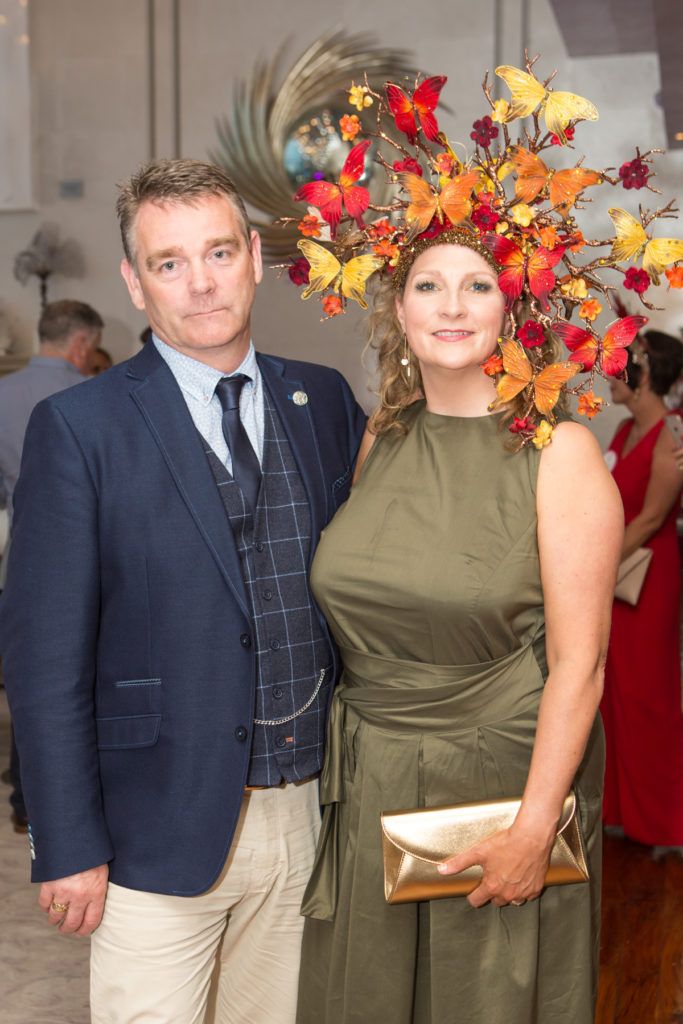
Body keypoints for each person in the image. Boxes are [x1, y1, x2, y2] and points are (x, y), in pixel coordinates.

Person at [280, 61, 682, 1023]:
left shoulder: (561, 456)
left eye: (478, 284)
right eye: (429, 284)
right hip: (368, 771)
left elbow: (580, 667)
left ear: (515, 307)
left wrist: (533, 826)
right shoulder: (380, 435)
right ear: (399, 307)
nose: (452, 305)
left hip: (497, 787)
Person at [0, 158, 365, 1024]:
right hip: (152, 826)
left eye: (217, 253)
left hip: (307, 814)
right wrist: (66, 840)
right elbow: (43, 659)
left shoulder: (324, 402)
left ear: (254, 258)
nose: (200, 284)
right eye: (169, 263)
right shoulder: (79, 427)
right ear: (134, 282)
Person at [0, 298, 102, 832]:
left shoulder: (1, 394)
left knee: (32, 678)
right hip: (89, 559)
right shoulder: (89, 395)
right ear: (82, 344)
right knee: (80, 679)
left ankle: (23, 801)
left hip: (20, 555)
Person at [602, 330, 683, 852]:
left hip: (649, 575)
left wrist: (595, 565)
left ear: (645, 372)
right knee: (614, 693)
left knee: (648, 695)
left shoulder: (671, 435)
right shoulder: (623, 430)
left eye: (620, 365)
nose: (610, 374)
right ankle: (623, 812)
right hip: (616, 574)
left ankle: (667, 823)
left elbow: (653, 515)